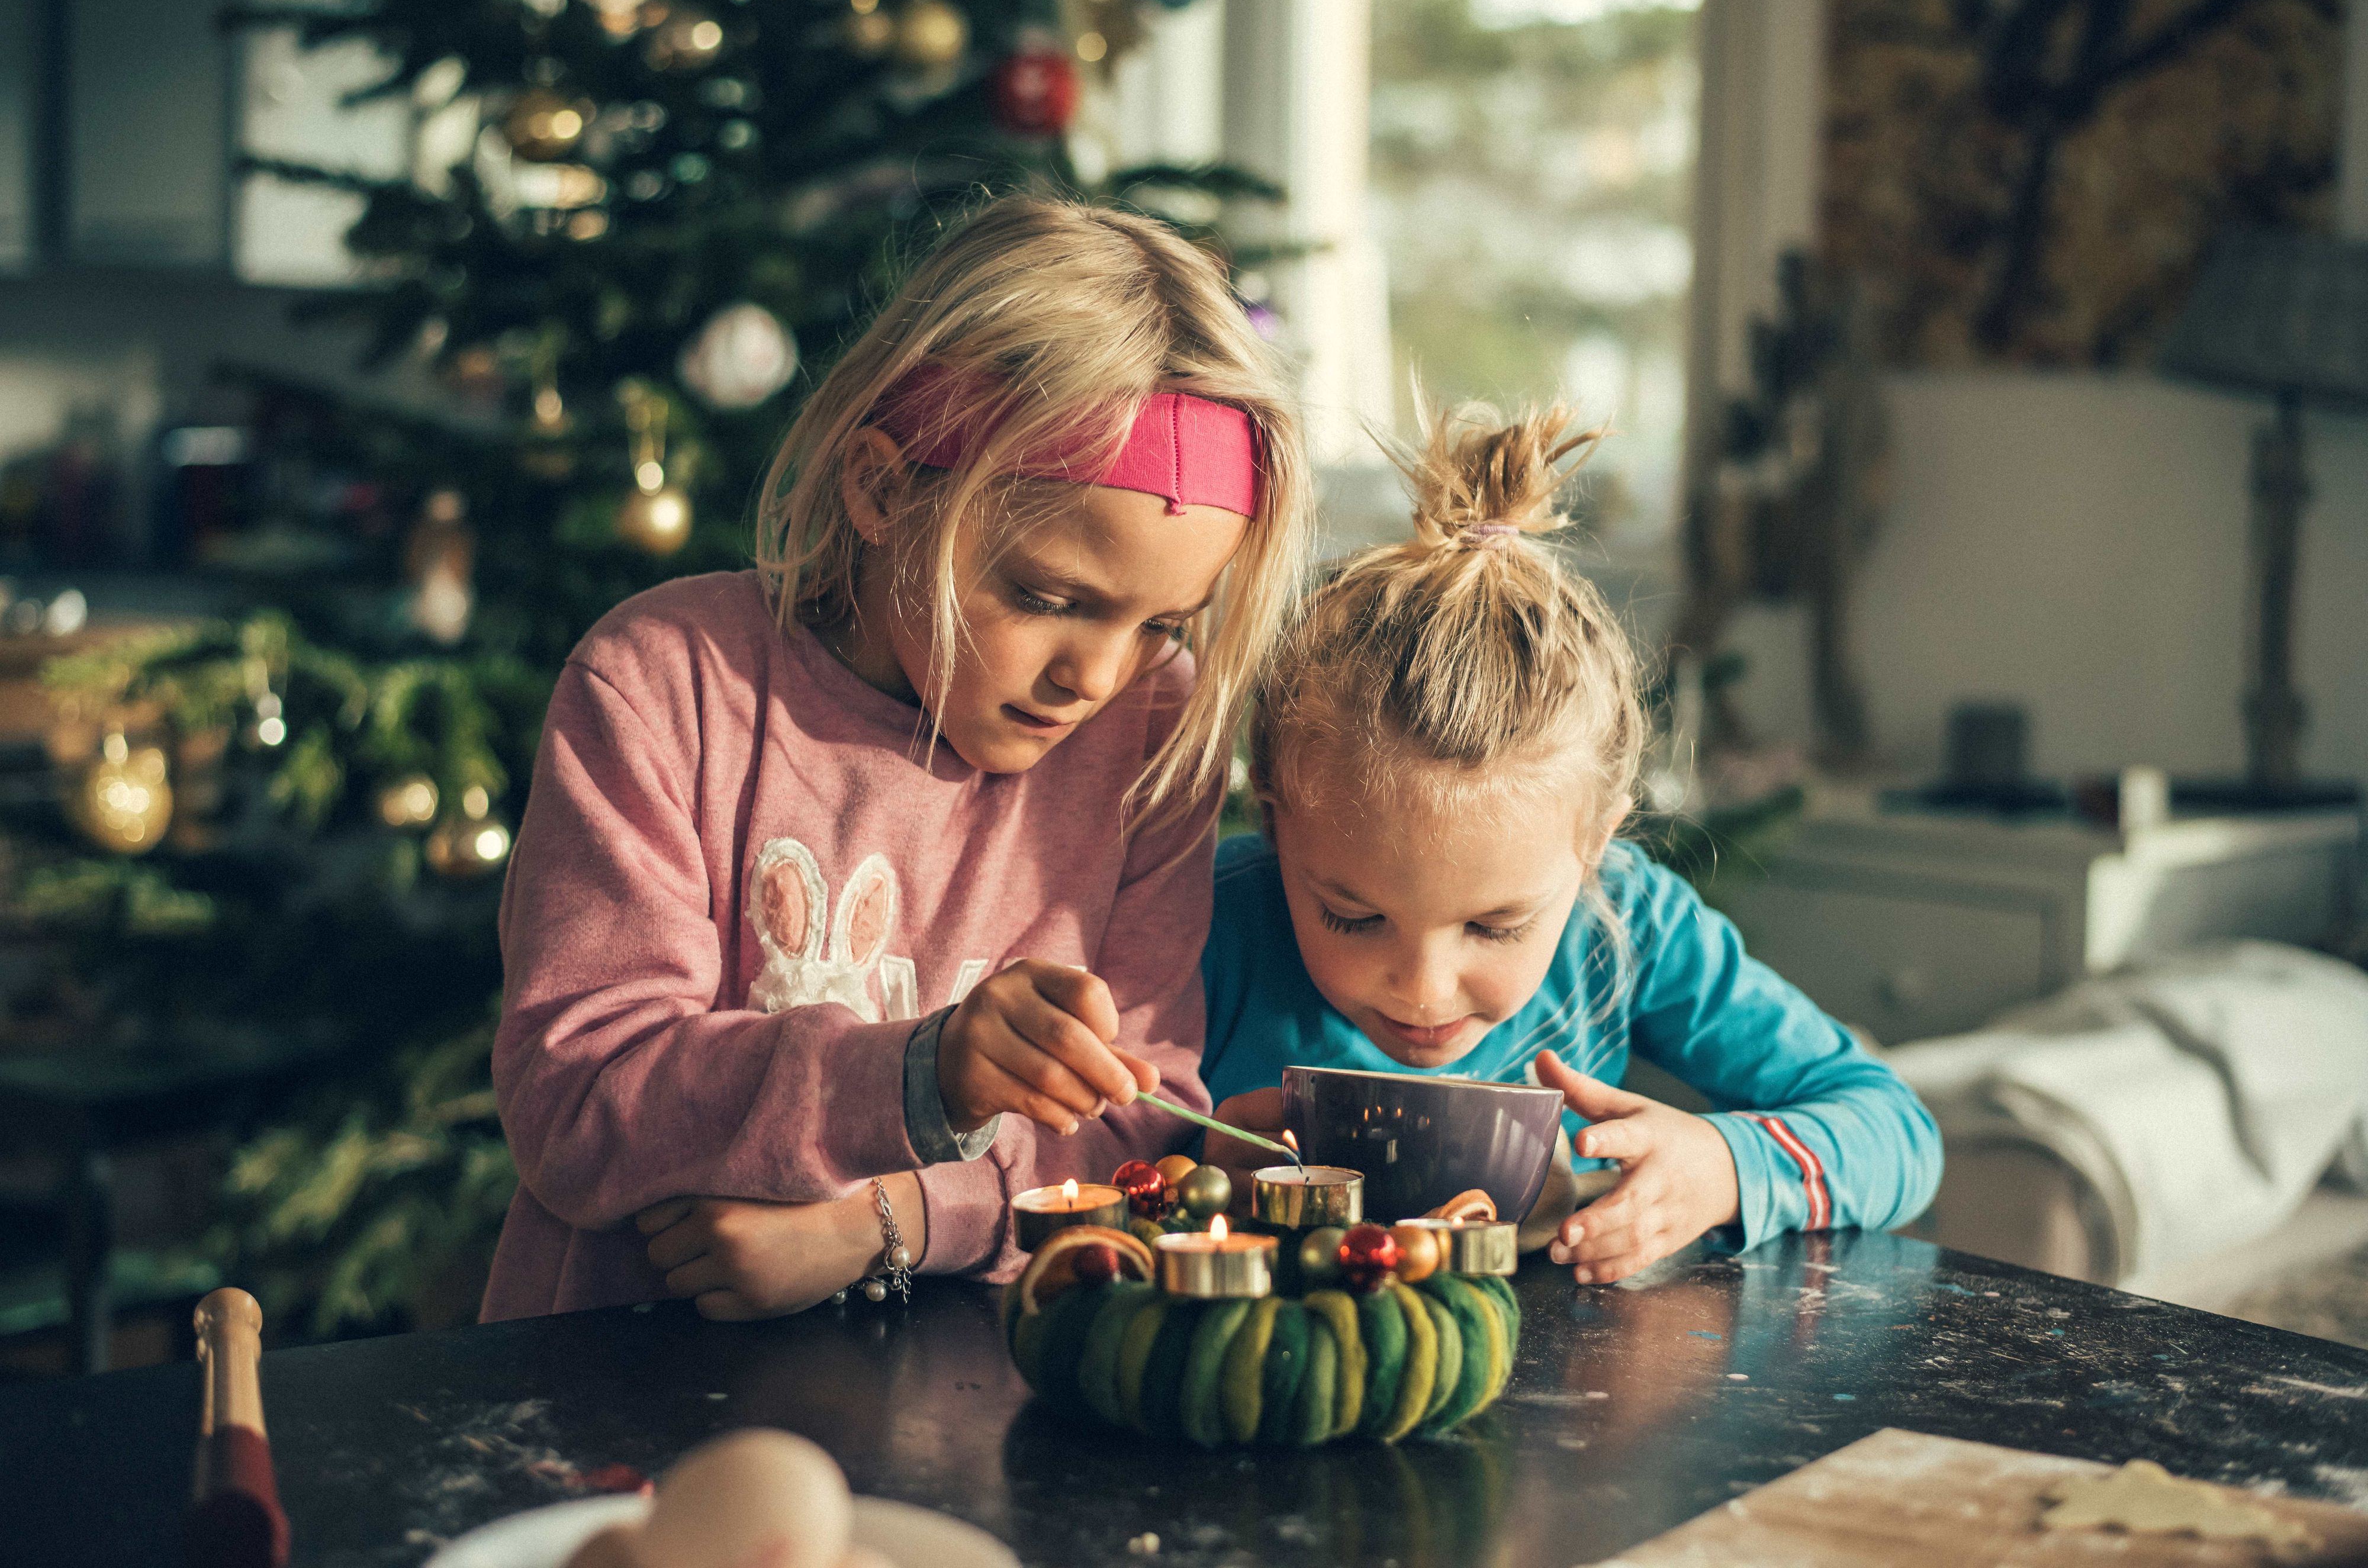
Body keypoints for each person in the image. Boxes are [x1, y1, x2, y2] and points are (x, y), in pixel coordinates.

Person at [482, 195, 1311, 1321]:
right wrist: (922, 1077)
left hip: (973, 1401)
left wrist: (891, 1223)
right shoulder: (664, 683)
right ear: (880, 488)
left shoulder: (1152, 736)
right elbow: (578, 1102)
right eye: (1048, 598)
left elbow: (1137, 1134)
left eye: (1163, 623)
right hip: (629, 1394)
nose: (1099, 677)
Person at [1197, 404, 1938, 1284]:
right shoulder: (1207, 920)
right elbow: (1039, 1150)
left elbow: (1896, 1126)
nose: (1426, 990)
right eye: (1354, 917)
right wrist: (1181, 1170)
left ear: (1594, 843)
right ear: (1275, 823)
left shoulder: (1625, 922)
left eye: (1497, 927)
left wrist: (1726, 1167)